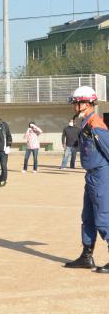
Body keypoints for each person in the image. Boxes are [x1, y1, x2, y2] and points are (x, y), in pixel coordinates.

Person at [64, 86, 109, 273]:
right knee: (88, 217)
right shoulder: (85, 122)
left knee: (103, 217)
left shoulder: (95, 124)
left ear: (86, 103)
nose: (74, 106)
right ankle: (86, 256)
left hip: (101, 174)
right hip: (91, 175)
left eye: (76, 102)